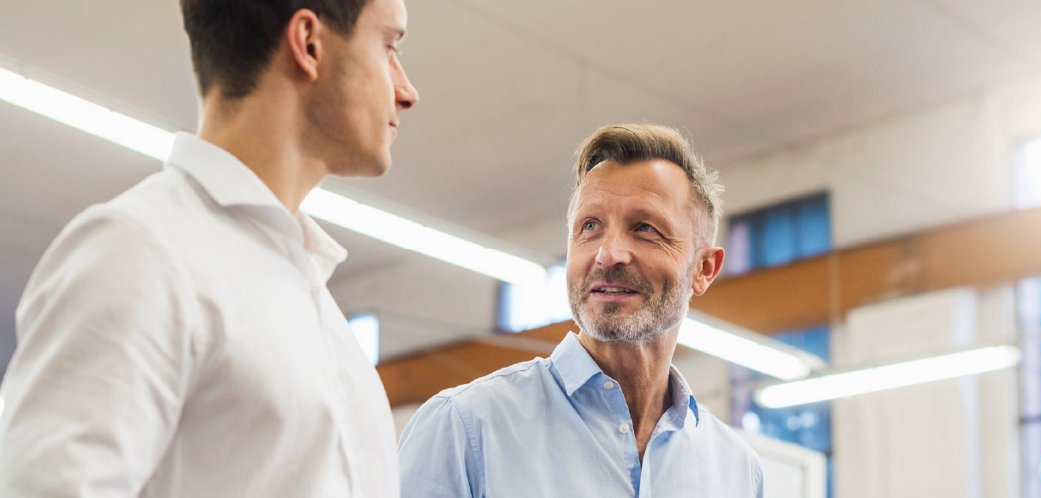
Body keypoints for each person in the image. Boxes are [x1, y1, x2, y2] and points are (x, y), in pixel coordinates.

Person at [0, 0, 419, 495]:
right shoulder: (138, 253)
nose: (406, 91)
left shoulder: (312, 298)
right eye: (388, 46)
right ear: (308, 43)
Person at [398, 124, 764, 497]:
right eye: (590, 226)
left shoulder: (736, 472)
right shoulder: (465, 428)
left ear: (703, 270)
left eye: (645, 229)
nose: (608, 253)